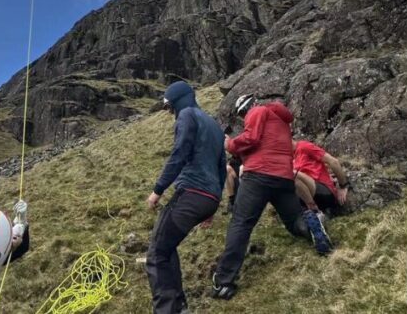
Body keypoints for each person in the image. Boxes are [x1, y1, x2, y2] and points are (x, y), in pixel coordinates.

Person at [211, 95, 331, 300]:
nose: (243, 118)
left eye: (242, 113)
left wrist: (229, 144)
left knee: (241, 223)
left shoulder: (257, 111)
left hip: (258, 176)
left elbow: (251, 138)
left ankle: (223, 281)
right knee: (294, 221)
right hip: (283, 178)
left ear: (246, 107)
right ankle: (312, 226)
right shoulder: (282, 122)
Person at [145, 80, 226, 314]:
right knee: (167, 247)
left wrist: (158, 190)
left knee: (157, 253)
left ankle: (169, 310)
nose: (170, 113)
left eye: (170, 107)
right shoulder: (213, 124)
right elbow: (222, 168)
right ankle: (179, 306)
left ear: (177, 101)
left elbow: (180, 152)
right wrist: (213, 205)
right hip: (208, 198)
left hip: (190, 193)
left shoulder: (187, 115)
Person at [293, 138, 351, 219]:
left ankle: (314, 211)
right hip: (305, 197)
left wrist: (343, 185)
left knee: (292, 174)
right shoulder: (287, 158)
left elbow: (333, 161)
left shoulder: (304, 146)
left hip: (324, 192)